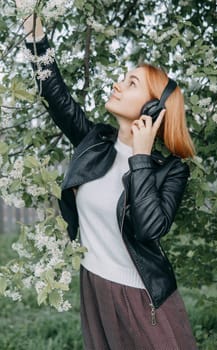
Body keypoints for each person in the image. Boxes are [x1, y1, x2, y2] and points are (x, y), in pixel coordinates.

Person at [15, 2, 198, 349]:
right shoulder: (95, 142)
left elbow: (149, 229)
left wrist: (141, 157)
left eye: (130, 83)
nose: (117, 84)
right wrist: (35, 35)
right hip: (95, 284)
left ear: (152, 109)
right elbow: (56, 96)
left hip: (142, 300)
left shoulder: (171, 171)